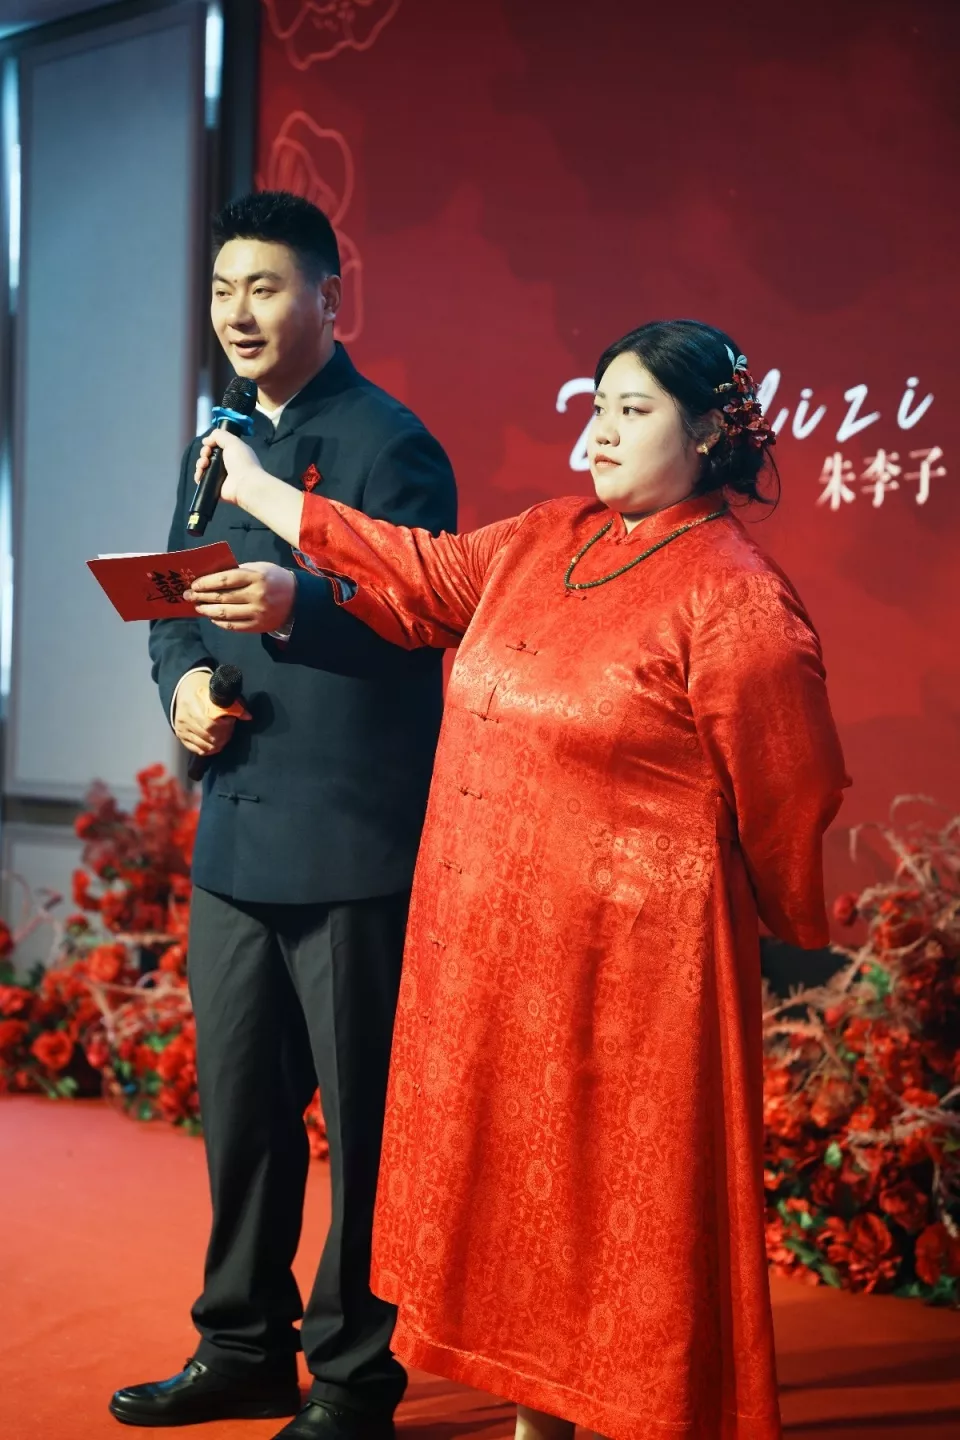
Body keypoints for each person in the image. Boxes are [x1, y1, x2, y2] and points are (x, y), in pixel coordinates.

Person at [188, 319, 850, 1440]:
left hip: (633, 975)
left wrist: (774, 925)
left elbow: (791, 784)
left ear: (709, 433)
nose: (603, 431)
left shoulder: (736, 598)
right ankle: (535, 1417)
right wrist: (254, 491)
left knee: (613, 1216)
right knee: (516, 1208)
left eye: (635, 411)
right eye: (598, 407)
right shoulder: (549, 534)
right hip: (496, 953)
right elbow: (412, 569)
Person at [110, 191, 457, 1440]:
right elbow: (172, 603)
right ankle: (241, 1349)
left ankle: (355, 1380)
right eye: (223, 291)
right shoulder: (215, 443)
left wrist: (302, 602)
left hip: (355, 845)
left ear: (328, 297)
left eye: (264, 288)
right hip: (238, 837)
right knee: (244, 1120)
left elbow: (425, 618)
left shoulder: (392, 443)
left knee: (362, 1133)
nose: (238, 313)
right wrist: (183, 684)